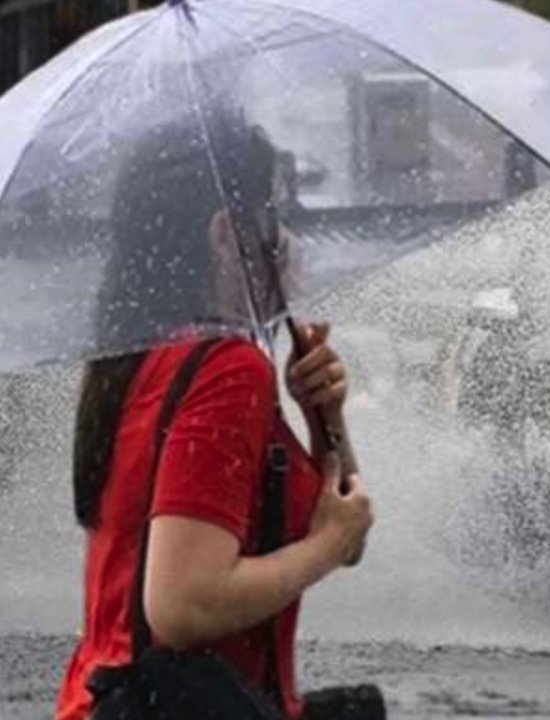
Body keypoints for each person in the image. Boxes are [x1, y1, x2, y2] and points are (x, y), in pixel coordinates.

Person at [54, 113, 380, 720]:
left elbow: (342, 523)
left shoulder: (137, 356)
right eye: (277, 213)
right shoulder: (226, 371)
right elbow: (183, 606)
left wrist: (322, 420)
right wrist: (329, 546)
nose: (289, 237)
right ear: (229, 234)